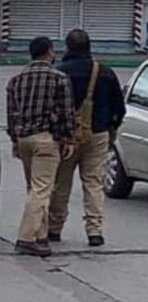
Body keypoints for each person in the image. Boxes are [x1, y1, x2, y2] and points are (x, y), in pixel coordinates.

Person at [48, 29, 126, 247]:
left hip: (66, 137)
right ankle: (94, 230)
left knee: (61, 183)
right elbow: (119, 108)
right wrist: (111, 129)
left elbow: (51, 107)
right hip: (98, 133)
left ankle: (54, 228)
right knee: (93, 183)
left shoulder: (59, 72)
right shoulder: (105, 72)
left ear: (67, 47)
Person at [6, 37, 76, 257]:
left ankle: (41, 235)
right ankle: (26, 238)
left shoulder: (16, 80)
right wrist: (68, 139)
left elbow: (11, 114)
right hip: (46, 138)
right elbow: (66, 112)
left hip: (24, 138)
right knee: (42, 188)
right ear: (49, 52)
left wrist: (15, 141)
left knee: (34, 188)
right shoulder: (59, 78)